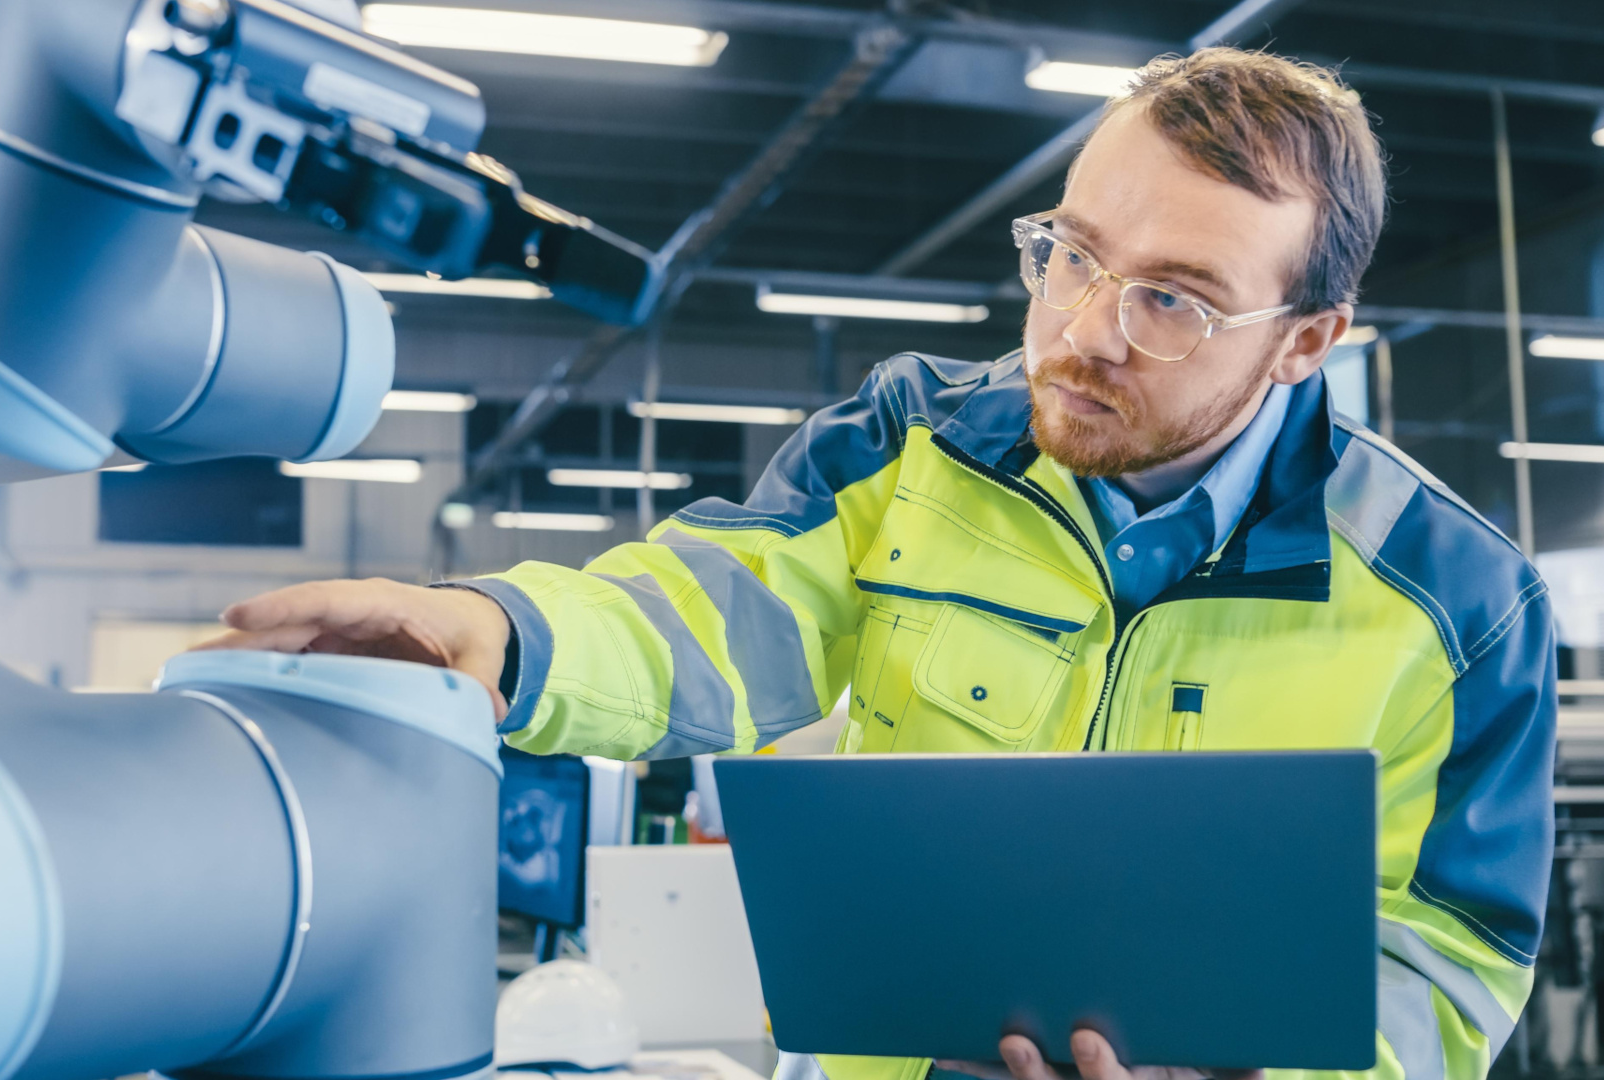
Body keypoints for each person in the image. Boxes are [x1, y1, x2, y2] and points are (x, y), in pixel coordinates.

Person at [199, 48, 1555, 1080]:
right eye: (1070, 255)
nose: (1080, 332)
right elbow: (711, 610)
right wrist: (498, 635)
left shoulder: (1462, 608)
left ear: (1307, 341)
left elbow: (1453, 959)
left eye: (1172, 300)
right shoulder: (917, 445)